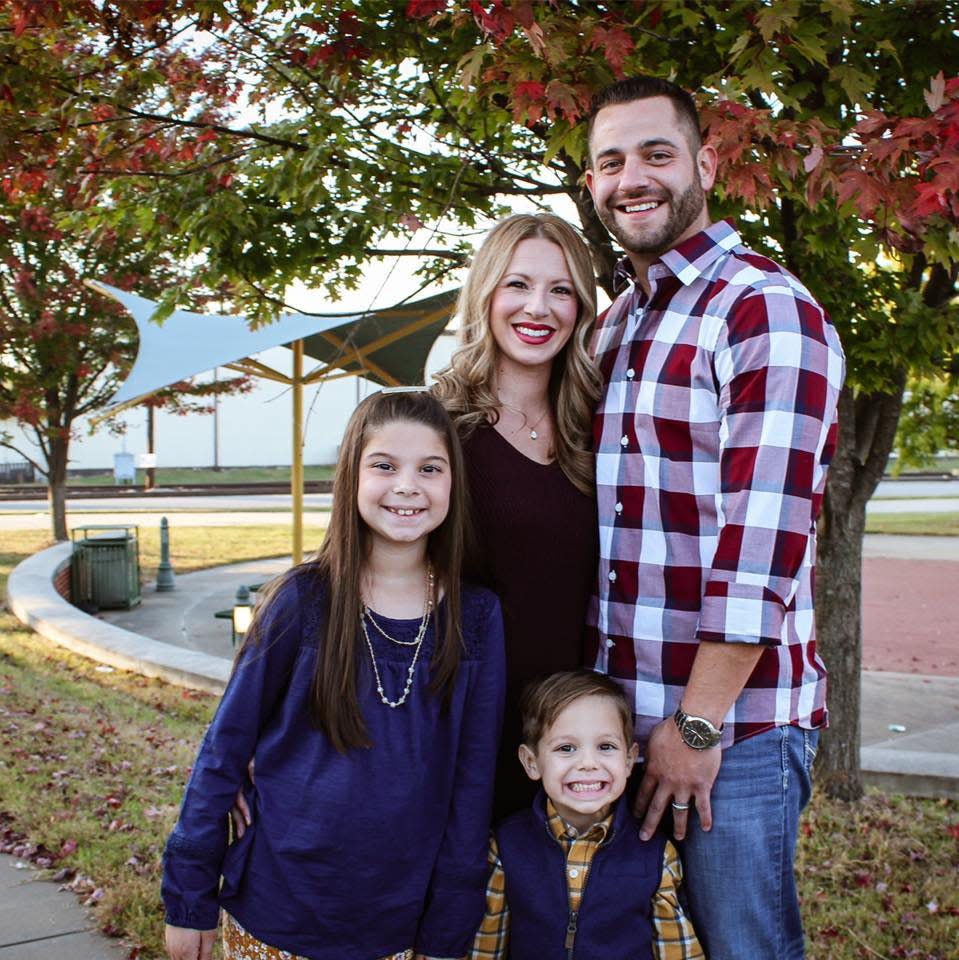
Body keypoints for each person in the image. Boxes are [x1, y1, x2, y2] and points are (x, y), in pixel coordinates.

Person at [583, 75, 845, 960]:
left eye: (656, 153)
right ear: (591, 184)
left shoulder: (761, 308)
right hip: (614, 731)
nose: (633, 178)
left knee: (743, 950)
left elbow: (759, 550)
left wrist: (695, 730)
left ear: (702, 163)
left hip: (728, 736)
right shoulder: (616, 325)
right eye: (610, 161)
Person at [162, 390, 505, 960]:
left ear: (454, 483)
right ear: (351, 477)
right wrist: (188, 895)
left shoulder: (476, 616)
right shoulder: (303, 601)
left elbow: (472, 786)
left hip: (399, 921)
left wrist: (450, 925)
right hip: (277, 908)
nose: (407, 485)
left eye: (430, 468)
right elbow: (224, 749)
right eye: (384, 465)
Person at [433, 213, 602, 820]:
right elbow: (352, 579)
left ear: (581, 307)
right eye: (518, 285)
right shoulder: (438, 428)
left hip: (576, 750)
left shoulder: (601, 428)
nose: (539, 308)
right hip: (460, 731)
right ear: (485, 294)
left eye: (561, 290)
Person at [470, 670, 703, 960]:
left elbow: (677, 951)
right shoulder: (506, 846)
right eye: (566, 748)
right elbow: (485, 946)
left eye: (606, 747)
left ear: (629, 760)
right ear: (532, 763)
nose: (588, 763)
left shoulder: (655, 855)